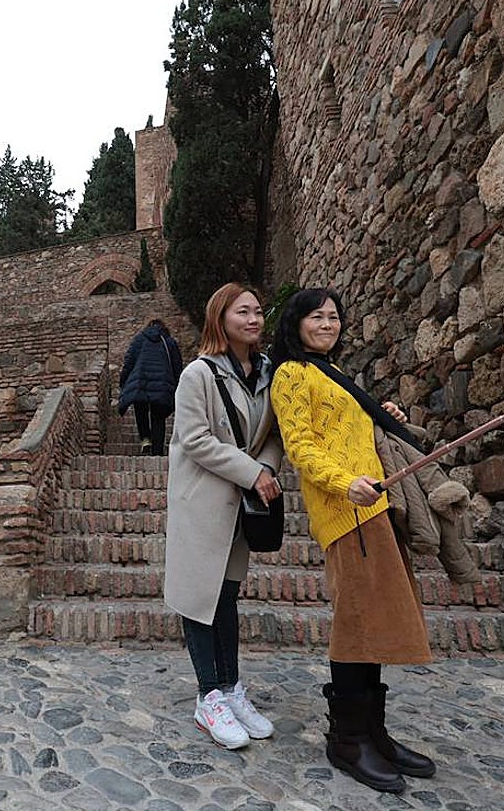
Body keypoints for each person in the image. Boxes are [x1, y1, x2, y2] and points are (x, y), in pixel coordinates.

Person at [269, 287, 436, 794]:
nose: (328, 324)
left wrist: (382, 418)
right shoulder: (292, 374)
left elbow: (346, 434)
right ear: (295, 323)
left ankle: (373, 733)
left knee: (375, 618)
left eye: (334, 317)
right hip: (347, 512)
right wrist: (345, 483)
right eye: (317, 317)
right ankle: (346, 738)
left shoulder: (334, 372)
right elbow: (300, 446)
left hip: (376, 506)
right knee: (356, 620)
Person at [163, 283, 283, 750]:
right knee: (200, 599)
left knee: (227, 597)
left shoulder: (267, 373)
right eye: (243, 312)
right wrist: (253, 472)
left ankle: (232, 690)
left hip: (242, 504)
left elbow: (273, 435)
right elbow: (194, 438)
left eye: (258, 312)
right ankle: (207, 696)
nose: (253, 320)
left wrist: (266, 469)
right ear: (220, 318)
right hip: (203, 501)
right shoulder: (198, 373)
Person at [118, 319, 183, 455]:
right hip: (162, 384)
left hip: (139, 381)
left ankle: (145, 440)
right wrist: (177, 386)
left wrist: (123, 382)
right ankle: (157, 451)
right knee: (158, 416)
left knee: (140, 409)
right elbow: (177, 365)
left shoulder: (139, 339)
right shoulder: (169, 342)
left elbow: (129, 362)